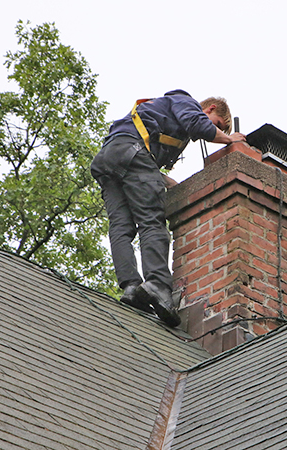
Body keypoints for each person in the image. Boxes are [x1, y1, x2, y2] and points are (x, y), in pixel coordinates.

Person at [91, 89, 246, 327]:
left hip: (110, 158)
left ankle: (131, 287)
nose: (214, 131)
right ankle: (157, 285)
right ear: (210, 109)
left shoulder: (163, 113)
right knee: (151, 221)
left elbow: (142, 161)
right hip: (131, 153)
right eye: (216, 124)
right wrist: (230, 139)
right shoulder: (186, 102)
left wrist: (165, 181)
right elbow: (198, 126)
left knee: (121, 227)